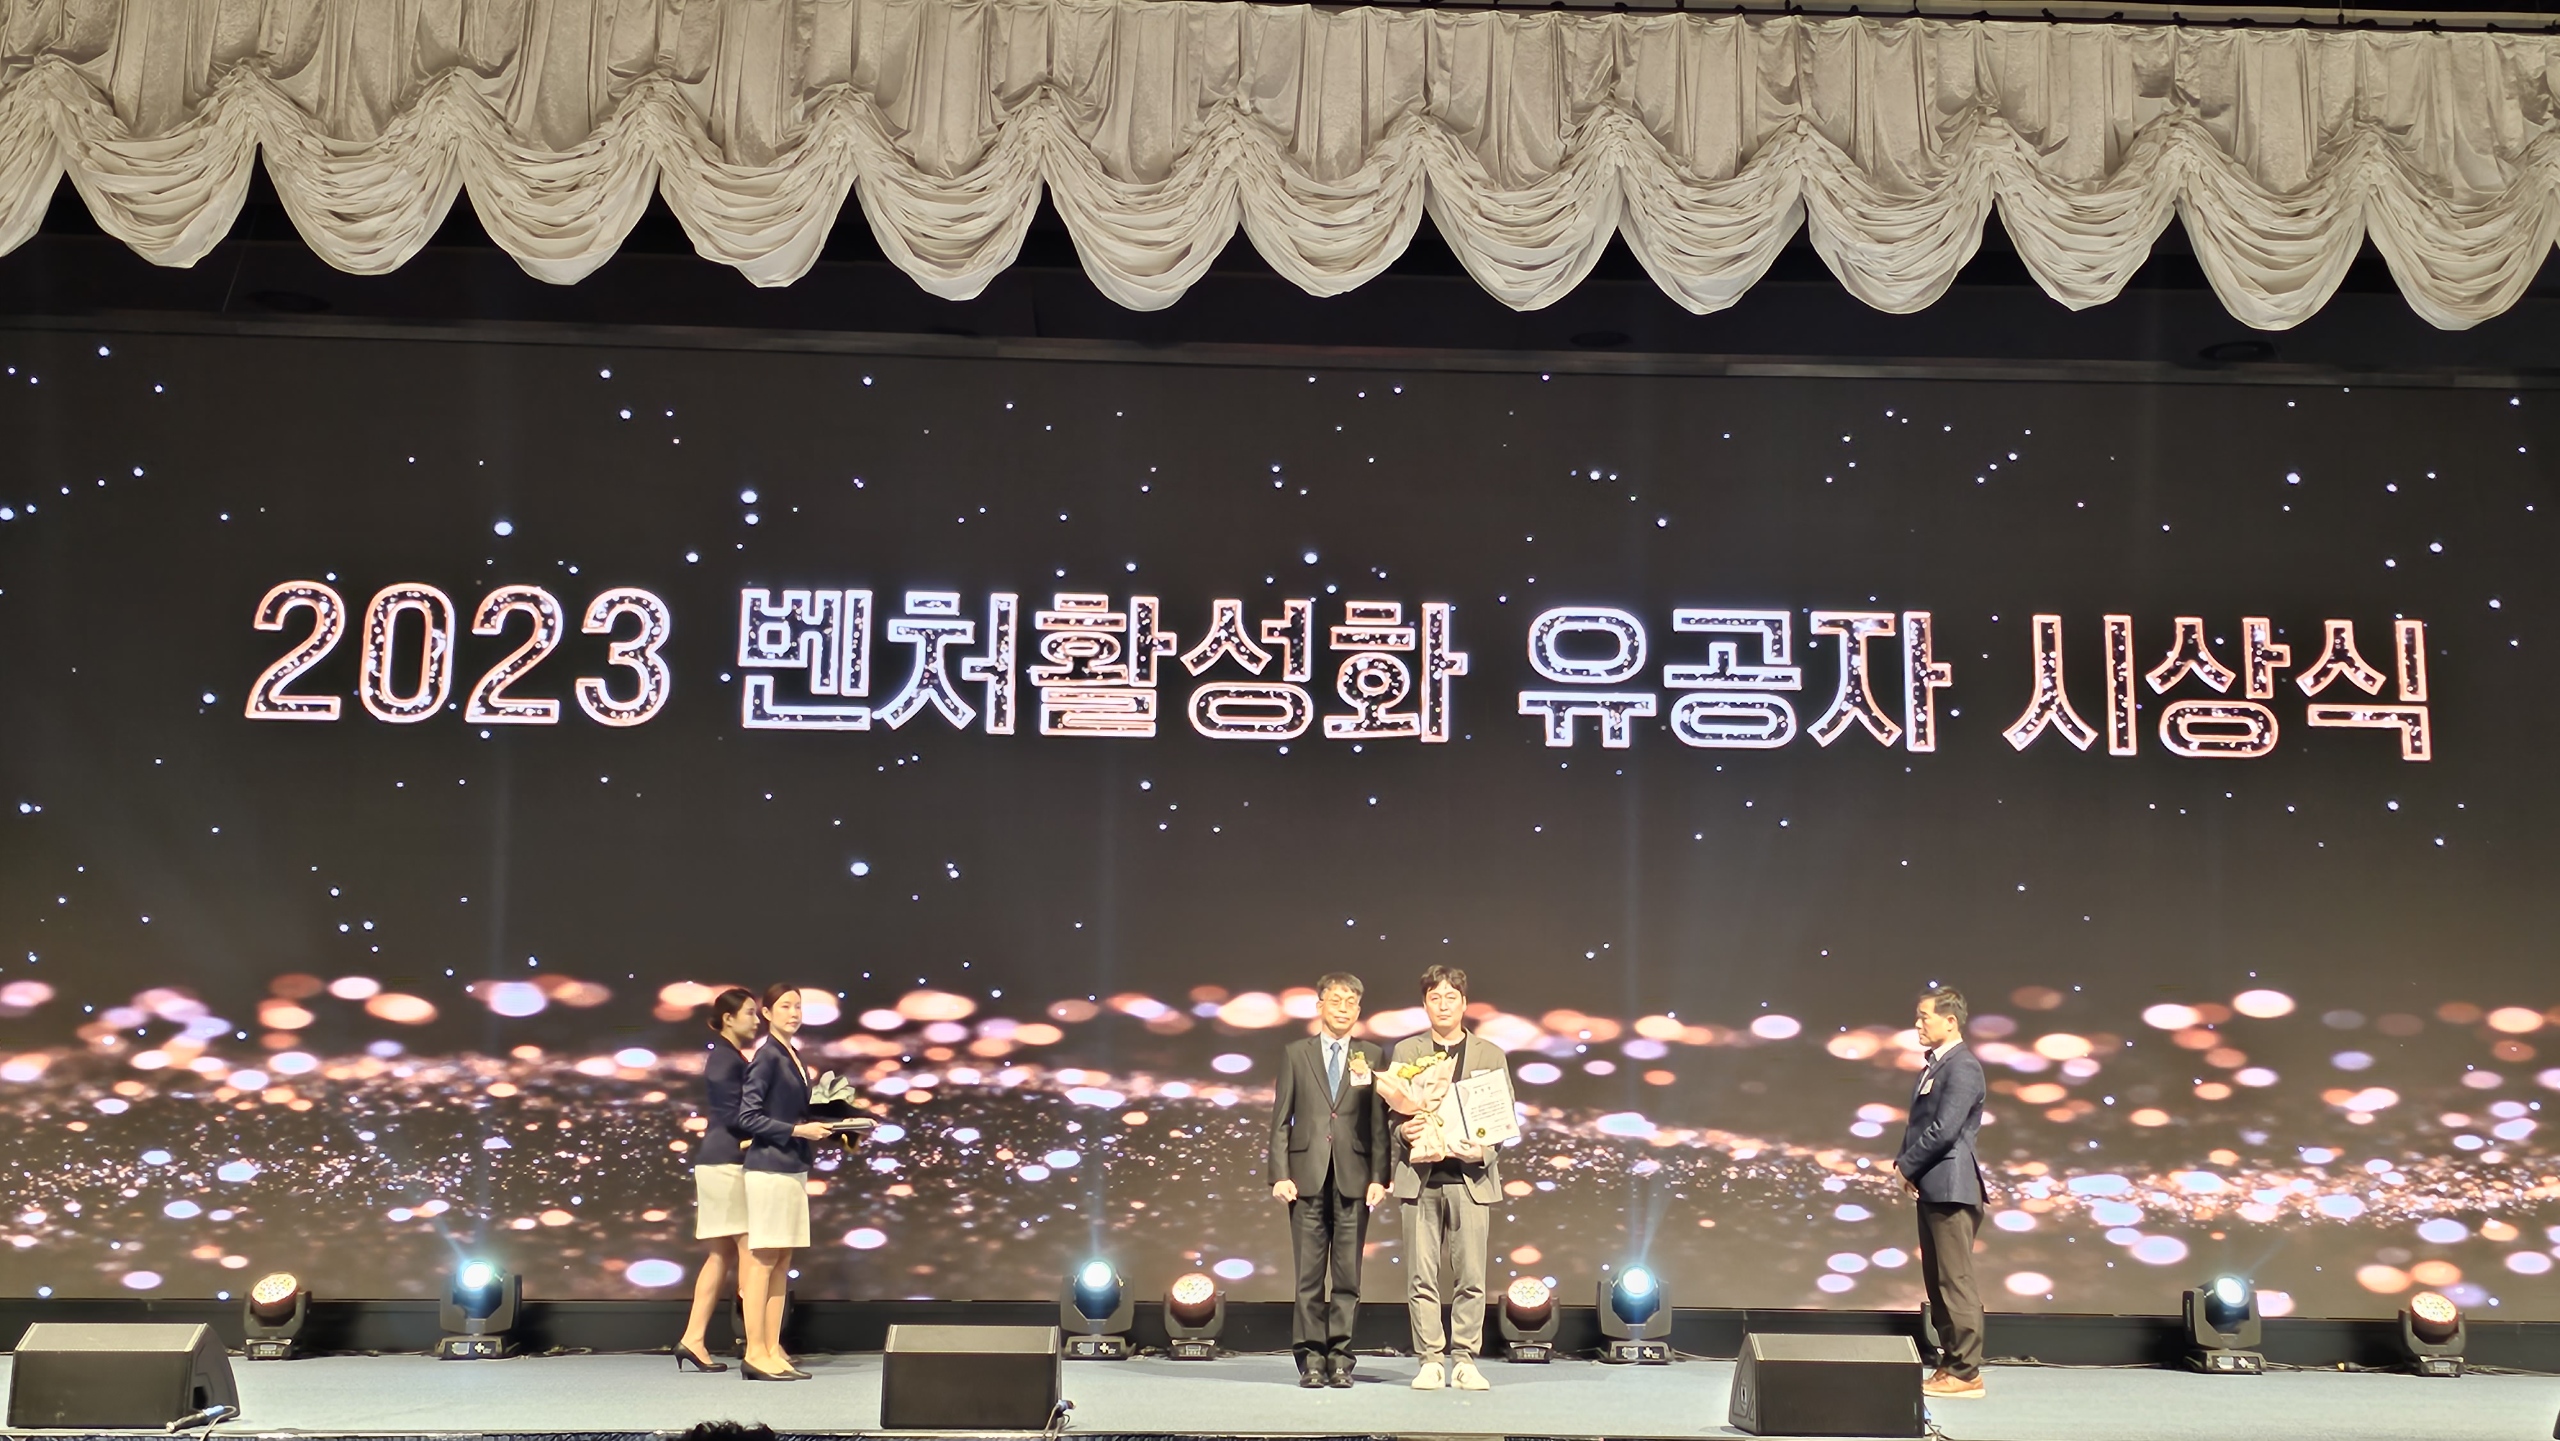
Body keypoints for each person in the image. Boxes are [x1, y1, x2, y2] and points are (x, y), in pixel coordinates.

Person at [1388, 965, 1511, 1392]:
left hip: (1470, 1181)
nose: (1443, 1005)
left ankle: (1464, 1359)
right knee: (1421, 1277)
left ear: (1464, 1002)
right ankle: (1429, 1360)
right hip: (1420, 1179)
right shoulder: (1407, 1051)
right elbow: (1390, 1116)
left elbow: (1502, 1119)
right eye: (1435, 998)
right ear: (1425, 1004)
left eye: (1450, 997)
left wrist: (1484, 1151)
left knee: (1471, 1277)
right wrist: (1404, 1132)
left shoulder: (1489, 1055)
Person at [1269, 972, 1390, 1388]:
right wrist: (1279, 1175)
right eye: (1336, 1000)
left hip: (1354, 1178)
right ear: (1319, 1006)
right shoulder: (1295, 1053)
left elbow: (1378, 1123)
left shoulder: (1371, 1054)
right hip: (1305, 1178)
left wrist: (1380, 1176)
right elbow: (1281, 1119)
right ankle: (1310, 1361)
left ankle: (1340, 1359)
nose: (1343, 1008)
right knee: (1308, 1277)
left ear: (1359, 1010)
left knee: (1347, 1278)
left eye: (1351, 1002)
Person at [734, 983, 834, 1382]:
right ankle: (754, 1352)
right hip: (769, 1169)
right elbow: (748, 1116)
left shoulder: (792, 1055)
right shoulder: (767, 1056)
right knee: (763, 1261)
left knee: (781, 1261)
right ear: (767, 1013)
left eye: (798, 1006)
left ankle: (772, 1347)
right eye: (785, 1006)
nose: (793, 1013)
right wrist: (798, 1130)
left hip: (791, 1167)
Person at [1898, 985, 1989, 1401]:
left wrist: (1906, 1165)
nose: (1917, 1024)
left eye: (1924, 1016)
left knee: (1955, 1281)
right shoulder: (1936, 1066)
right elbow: (1921, 1126)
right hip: (1934, 1185)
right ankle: (1951, 1364)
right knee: (1938, 1282)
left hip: (1952, 1186)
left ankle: (1966, 1372)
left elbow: (1944, 1130)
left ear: (1950, 1021)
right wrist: (1907, 1166)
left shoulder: (1963, 1066)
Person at [677, 987, 761, 1371]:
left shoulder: (727, 1057)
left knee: (721, 1254)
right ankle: (759, 1348)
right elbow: (734, 1116)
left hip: (717, 1160)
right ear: (728, 1018)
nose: (757, 1020)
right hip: (727, 1161)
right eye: (750, 1013)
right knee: (750, 1253)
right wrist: (779, 1129)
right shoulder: (727, 1060)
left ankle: (693, 1339)